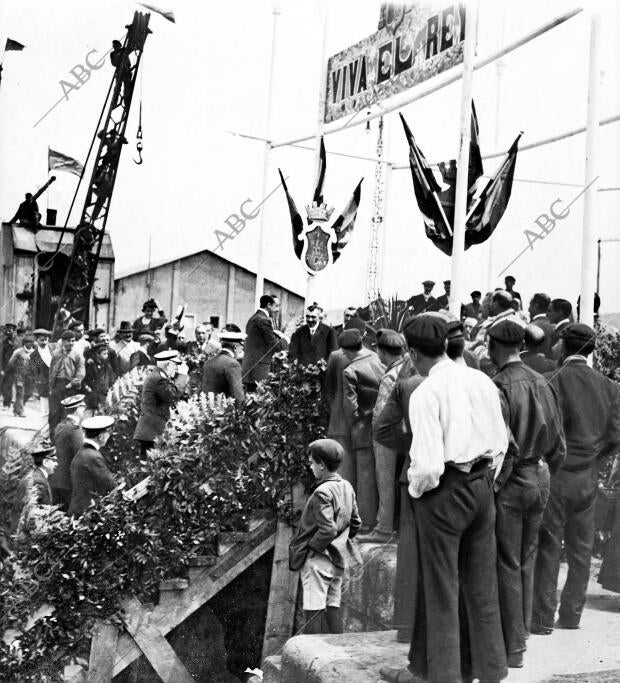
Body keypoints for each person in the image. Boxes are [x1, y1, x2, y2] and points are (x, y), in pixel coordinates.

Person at [380, 314, 508, 683]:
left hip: (443, 490)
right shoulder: (480, 379)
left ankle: (445, 676)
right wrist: (483, 480)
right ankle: (489, 669)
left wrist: (419, 493)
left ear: (414, 353)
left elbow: (427, 464)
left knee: (440, 587)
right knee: (481, 584)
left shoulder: (425, 392)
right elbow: (500, 442)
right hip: (482, 484)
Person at [487, 318, 566, 668]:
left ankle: (513, 646)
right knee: (527, 557)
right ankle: (523, 637)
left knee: (507, 561)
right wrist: (544, 471)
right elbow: (559, 446)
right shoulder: (543, 382)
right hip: (541, 475)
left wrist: (495, 485)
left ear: (492, 348)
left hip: (514, 480)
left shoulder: (498, 385)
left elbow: (501, 449)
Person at [532, 323, 620, 634]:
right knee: (581, 550)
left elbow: (541, 430)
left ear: (564, 346)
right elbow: (615, 435)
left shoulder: (551, 380)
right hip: (588, 477)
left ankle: (542, 618)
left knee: (550, 547)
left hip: (557, 475)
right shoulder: (609, 386)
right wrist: (594, 457)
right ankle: (571, 616)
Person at [373, 329, 425, 644]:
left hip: (415, 471)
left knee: (409, 554)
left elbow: (383, 426)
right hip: (458, 481)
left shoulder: (405, 383)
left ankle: (406, 630)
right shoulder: (473, 384)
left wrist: (407, 446)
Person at [288, 439, 361, 635]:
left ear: (321, 465)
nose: (311, 467)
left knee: (313, 608)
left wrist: (312, 550)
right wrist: (341, 543)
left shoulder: (322, 492)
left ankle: (312, 657)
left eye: (312, 463)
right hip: (339, 560)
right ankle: (336, 650)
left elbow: (327, 530)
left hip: (319, 560)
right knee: (333, 607)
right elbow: (356, 523)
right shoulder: (346, 486)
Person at [357, 329, 405, 543]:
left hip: (387, 437)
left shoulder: (391, 375)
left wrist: (374, 433)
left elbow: (381, 412)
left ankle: (384, 528)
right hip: (404, 434)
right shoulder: (405, 367)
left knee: (384, 480)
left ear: (382, 352)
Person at [341, 328, 384, 531]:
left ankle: (366, 522)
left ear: (346, 351)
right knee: (382, 474)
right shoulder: (378, 358)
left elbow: (350, 407)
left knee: (365, 475)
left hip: (363, 427)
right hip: (385, 423)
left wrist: (354, 422)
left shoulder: (350, 371)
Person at [133, 350, 189, 456]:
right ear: (168, 365)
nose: (176, 370)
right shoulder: (159, 379)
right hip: (152, 432)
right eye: (175, 366)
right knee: (151, 465)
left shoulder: (158, 376)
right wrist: (183, 375)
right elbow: (173, 394)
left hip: (151, 430)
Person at [69, 416, 116, 517]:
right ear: (101, 436)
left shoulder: (82, 453)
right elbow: (110, 485)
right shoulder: (93, 457)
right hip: (86, 514)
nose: (108, 437)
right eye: (107, 434)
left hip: (78, 509)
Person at [241, 294, 288, 392]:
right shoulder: (263, 320)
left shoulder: (253, 318)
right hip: (258, 371)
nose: (278, 310)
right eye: (276, 306)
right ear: (269, 305)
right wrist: (284, 339)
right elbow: (276, 346)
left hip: (250, 370)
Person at [48, 394, 85, 511]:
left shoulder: (60, 426)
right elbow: (80, 456)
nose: (84, 411)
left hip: (55, 479)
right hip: (68, 483)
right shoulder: (75, 430)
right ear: (78, 409)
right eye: (83, 408)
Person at [10, 442, 57, 534]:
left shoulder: (34, 475)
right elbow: (32, 516)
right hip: (25, 536)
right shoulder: (39, 481)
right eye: (54, 460)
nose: (57, 464)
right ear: (46, 462)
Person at [49, 330, 85, 438]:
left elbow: (81, 371)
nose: (71, 343)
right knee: (54, 414)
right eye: (68, 341)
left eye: (73, 341)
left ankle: (65, 439)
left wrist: (73, 383)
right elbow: (51, 370)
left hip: (70, 387)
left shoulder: (77, 354)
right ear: (63, 342)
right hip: (57, 386)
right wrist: (51, 387)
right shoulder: (56, 354)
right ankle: (53, 439)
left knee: (67, 414)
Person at [202, 331, 245, 403]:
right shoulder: (233, 364)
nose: (241, 351)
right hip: (224, 410)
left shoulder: (208, 362)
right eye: (241, 348)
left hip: (207, 407)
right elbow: (237, 396)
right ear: (235, 347)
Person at [7, 333, 35, 416]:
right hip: (19, 374)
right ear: (24, 343)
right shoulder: (18, 351)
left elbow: (37, 364)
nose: (30, 344)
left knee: (29, 393)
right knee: (20, 393)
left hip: (30, 376)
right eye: (28, 342)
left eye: (31, 342)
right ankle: (20, 411)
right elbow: (11, 362)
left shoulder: (34, 352)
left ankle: (16, 408)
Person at [83, 343, 116, 415]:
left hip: (106, 393)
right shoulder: (91, 365)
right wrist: (89, 390)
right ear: (97, 354)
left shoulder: (107, 364)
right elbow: (85, 380)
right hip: (95, 396)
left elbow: (111, 376)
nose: (106, 356)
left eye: (107, 354)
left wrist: (112, 385)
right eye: (104, 354)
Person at [29, 328, 53, 415]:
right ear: (36, 340)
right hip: (44, 381)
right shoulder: (35, 355)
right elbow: (37, 370)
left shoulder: (53, 348)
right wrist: (38, 380)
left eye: (46, 340)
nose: (44, 342)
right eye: (42, 340)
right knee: (44, 401)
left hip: (56, 379)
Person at [528, 293, 554, 358]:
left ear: (535, 306)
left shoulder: (531, 327)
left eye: (530, 305)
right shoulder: (555, 326)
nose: (528, 309)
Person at [0, 323, 17, 409]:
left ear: (14, 331)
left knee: (9, 385)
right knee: (5, 385)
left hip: (16, 367)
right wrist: (2, 368)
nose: (8, 332)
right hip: (6, 367)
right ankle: (6, 403)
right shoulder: (4, 341)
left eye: (10, 330)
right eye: (7, 330)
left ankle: (9, 404)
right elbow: (2, 356)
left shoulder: (18, 342)